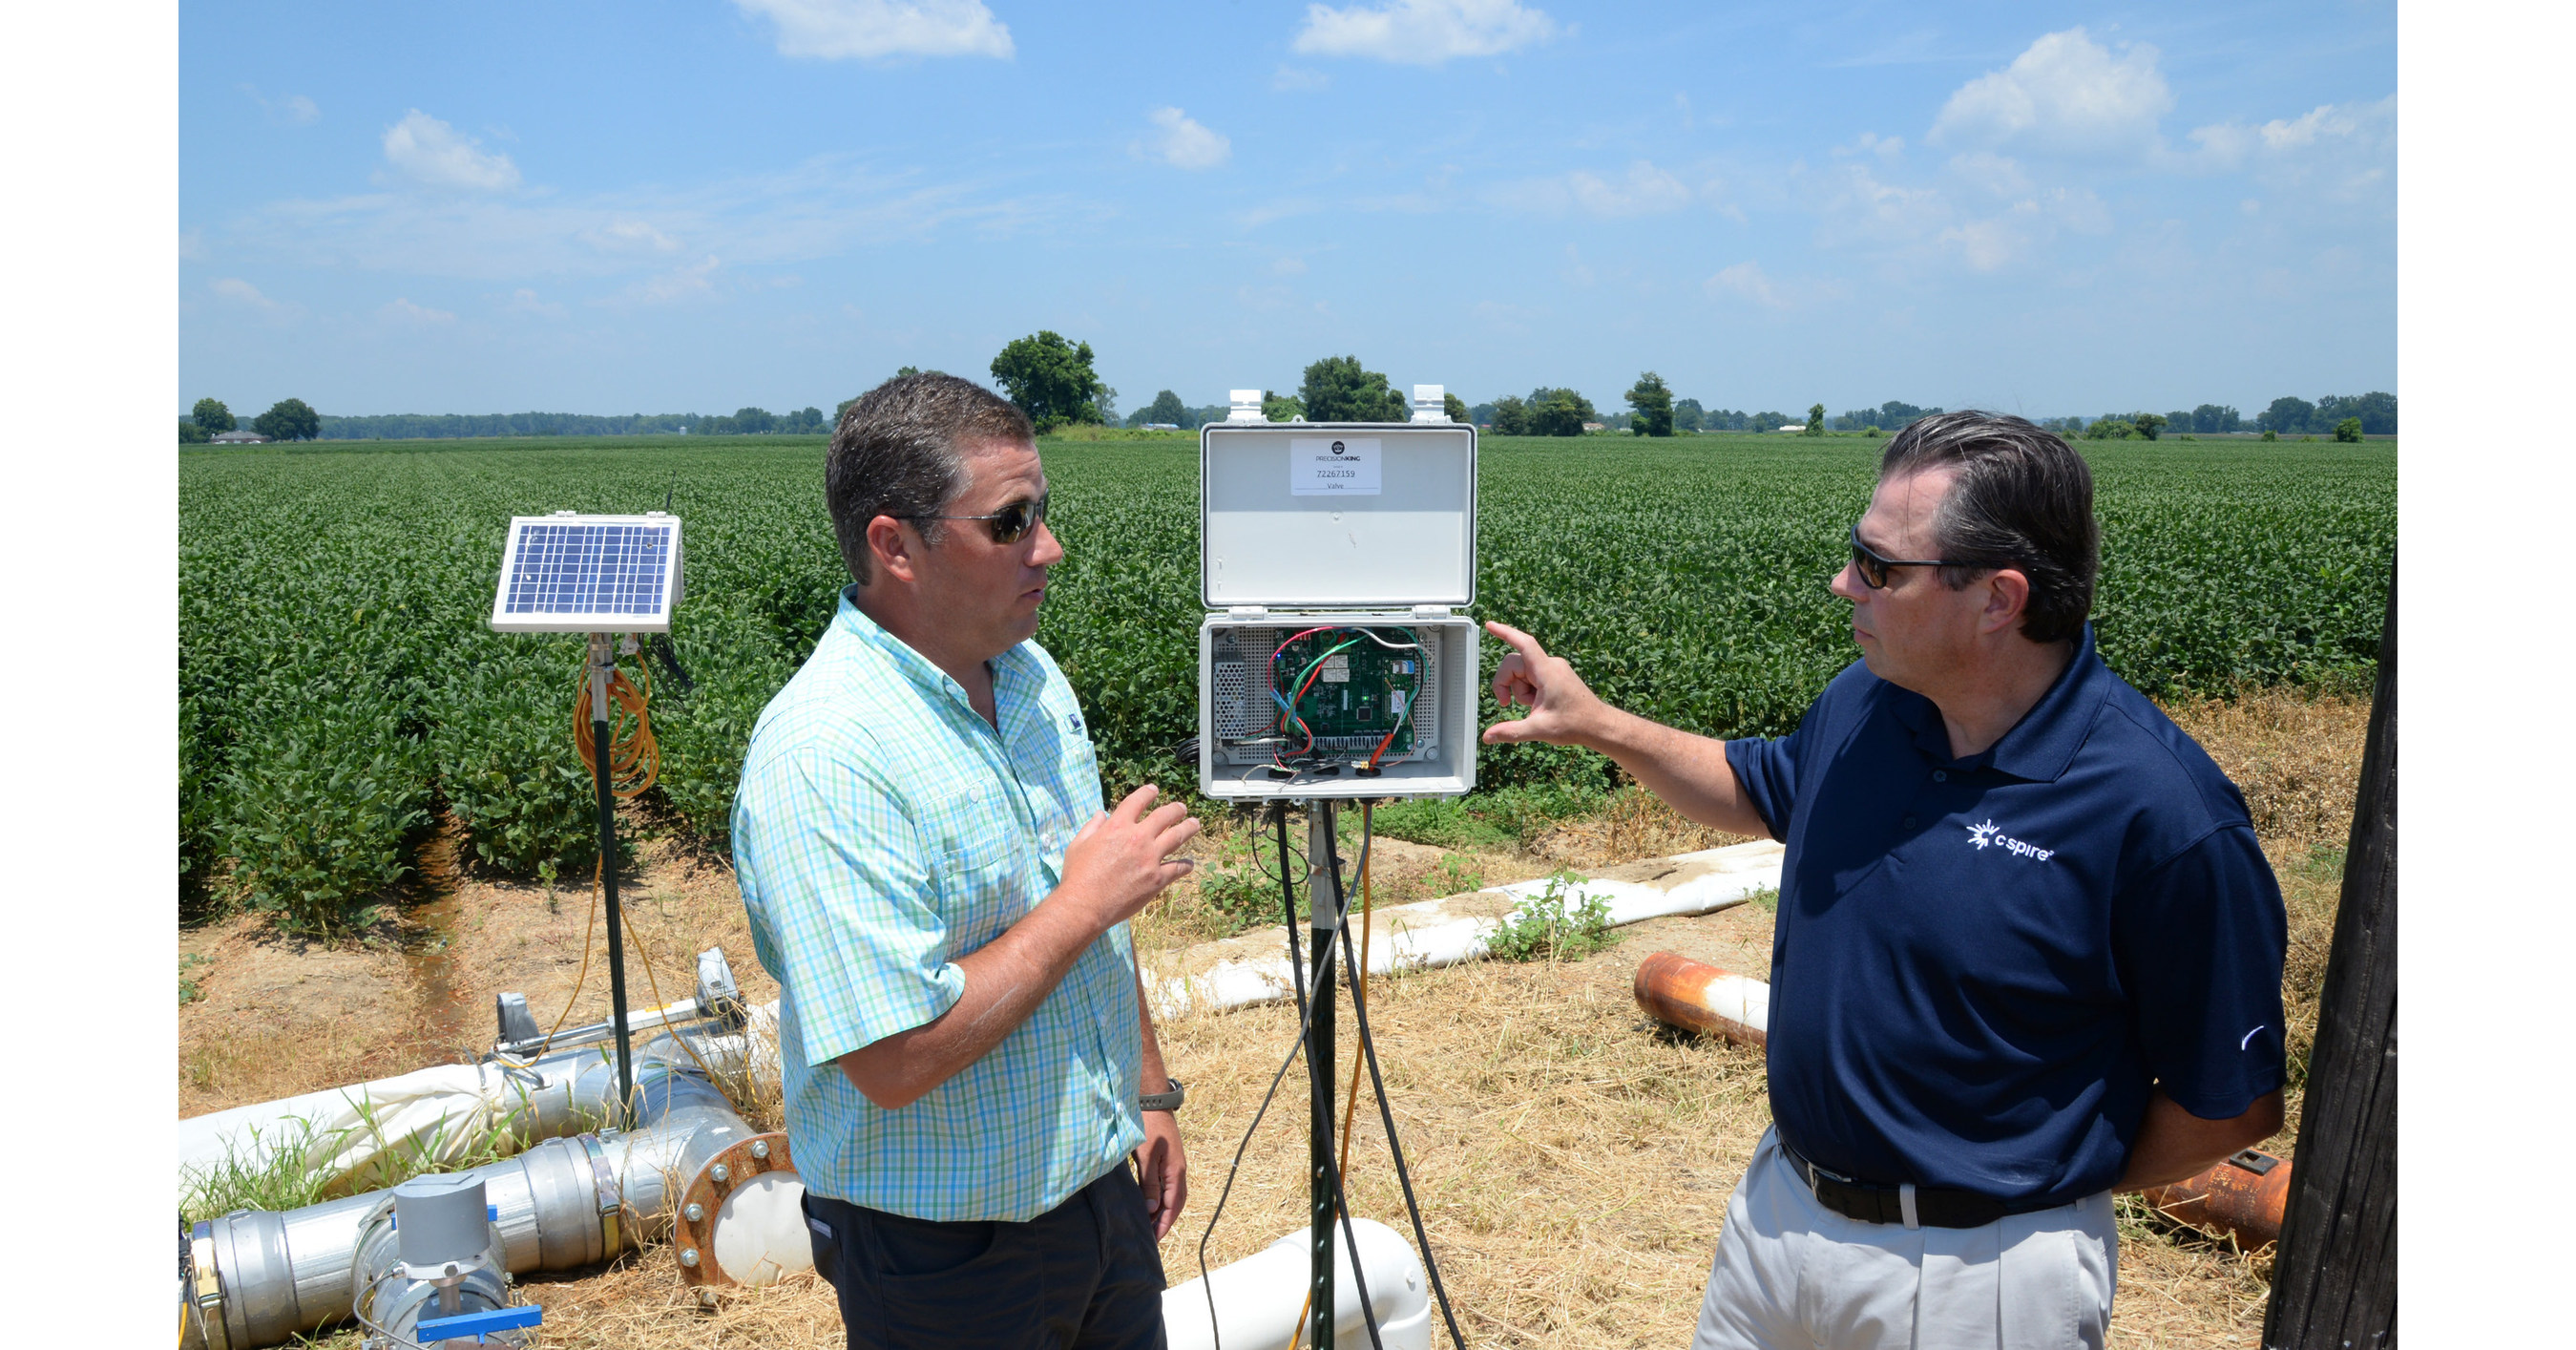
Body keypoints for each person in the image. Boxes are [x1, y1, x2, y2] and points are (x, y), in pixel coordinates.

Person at [1481, 411, 2288, 1349]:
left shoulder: (2160, 813)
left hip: (1973, 1281)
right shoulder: (1867, 700)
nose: (1841, 582)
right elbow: (1758, 785)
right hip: (1778, 1214)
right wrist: (1594, 722)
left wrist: (2026, 1186)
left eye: (1877, 565)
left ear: (1996, 597)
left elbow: (2228, 1103)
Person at [731, 372, 1201, 1349]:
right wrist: (1083, 901)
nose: (1048, 547)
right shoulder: (826, 754)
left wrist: (1147, 1093)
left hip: (1094, 1192)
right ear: (894, 545)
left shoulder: (1028, 677)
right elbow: (893, 1059)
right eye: (1010, 522)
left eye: (1043, 513)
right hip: (943, 1255)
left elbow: (1090, 920)